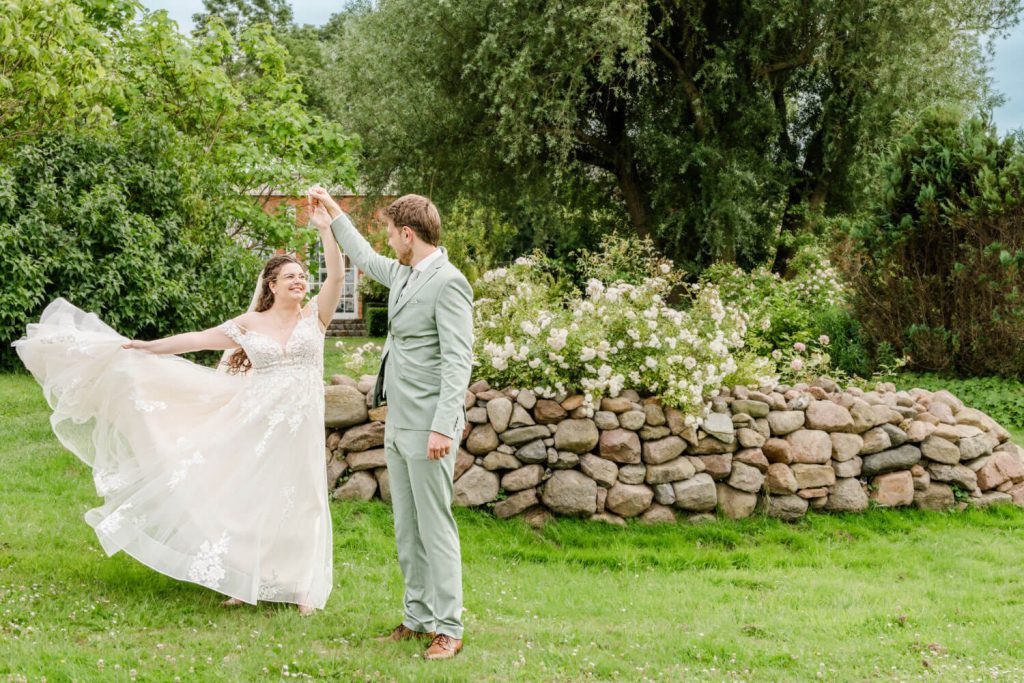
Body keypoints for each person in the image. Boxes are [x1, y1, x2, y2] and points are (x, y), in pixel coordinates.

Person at [13, 215, 344, 615]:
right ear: (271, 285)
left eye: (302, 276)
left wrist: (325, 228)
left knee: (305, 500)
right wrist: (148, 347)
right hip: (257, 422)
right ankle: (245, 578)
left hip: (301, 427)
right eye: (290, 276)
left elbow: (337, 276)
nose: (299, 281)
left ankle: (302, 588)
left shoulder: (315, 318)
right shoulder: (249, 324)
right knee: (253, 498)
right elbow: (199, 339)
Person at [308, 187, 473, 660]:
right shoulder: (402, 273)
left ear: (407, 234)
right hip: (398, 421)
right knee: (407, 528)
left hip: (430, 426)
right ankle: (417, 619)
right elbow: (361, 255)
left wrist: (443, 426)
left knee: (435, 527)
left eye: (389, 233)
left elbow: (458, 361)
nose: (386, 241)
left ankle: (449, 628)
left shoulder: (449, 283)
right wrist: (334, 212)